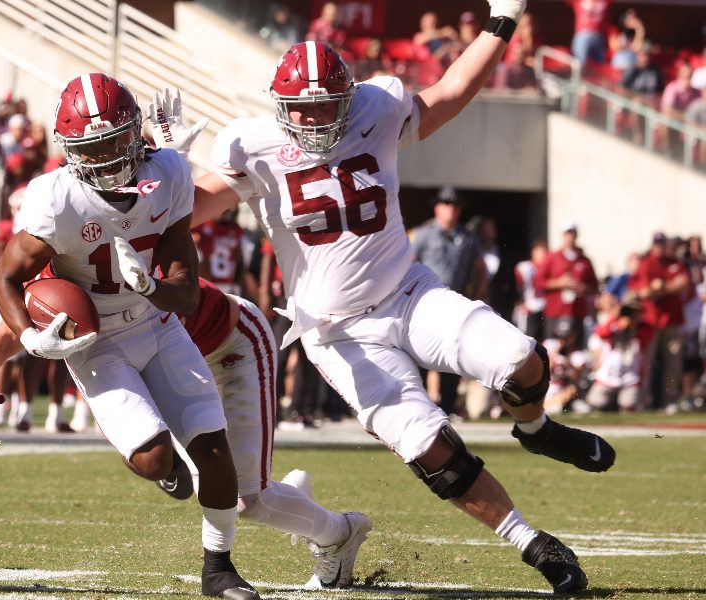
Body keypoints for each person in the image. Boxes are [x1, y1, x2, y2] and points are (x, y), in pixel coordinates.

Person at [160, 1, 614, 590]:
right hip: (337, 332)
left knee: (519, 359)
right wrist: (163, 164)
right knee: (429, 444)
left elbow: (448, 92)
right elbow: (185, 211)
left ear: (348, 96)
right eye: (306, 107)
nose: (319, 117)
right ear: (281, 107)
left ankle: (536, 431)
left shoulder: (376, 107)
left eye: (329, 104)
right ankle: (534, 544)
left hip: (408, 291)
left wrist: (500, 22)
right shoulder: (255, 147)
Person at [0, 73, 259, 600]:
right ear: (69, 149)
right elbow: (4, 275)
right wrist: (30, 339)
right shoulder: (54, 197)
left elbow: (186, 296)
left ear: (134, 132)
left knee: (214, 449)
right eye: (89, 146)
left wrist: (150, 287)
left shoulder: (166, 173)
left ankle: (219, 569)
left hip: (157, 324)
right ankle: (160, 464)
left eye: (113, 141)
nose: (102, 156)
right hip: (94, 340)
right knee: (153, 459)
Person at [0, 277, 373, 589]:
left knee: (246, 497)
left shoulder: (123, 251)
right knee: (185, 468)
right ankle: (277, 498)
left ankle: (338, 532)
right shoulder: (56, 289)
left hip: (232, 346)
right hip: (178, 367)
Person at [412, 187, 488, 417]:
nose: (451, 210)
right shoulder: (423, 234)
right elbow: (409, 263)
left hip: (455, 304)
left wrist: (479, 296)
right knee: (419, 354)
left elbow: (480, 269)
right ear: (437, 207)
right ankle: (421, 405)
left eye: (455, 206)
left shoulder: (467, 237)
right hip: (425, 304)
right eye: (446, 204)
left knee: (452, 354)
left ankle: (447, 405)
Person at [628, 232, 690, 412]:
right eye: (657, 245)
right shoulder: (646, 263)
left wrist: (662, 288)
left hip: (672, 319)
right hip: (650, 320)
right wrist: (665, 288)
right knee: (647, 361)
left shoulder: (673, 263)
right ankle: (644, 399)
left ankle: (669, 399)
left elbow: (683, 282)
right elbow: (641, 291)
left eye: (662, 244)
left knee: (673, 362)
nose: (660, 248)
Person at [534, 222, 597, 342]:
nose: (569, 237)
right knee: (553, 348)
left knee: (575, 352)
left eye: (572, 233)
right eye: (567, 233)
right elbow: (538, 282)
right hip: (555, 312)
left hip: (577, 312)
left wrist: (583, 288)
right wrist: (559, 283)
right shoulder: (551, 257)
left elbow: (594, 286)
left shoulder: (584, 261)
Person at [566, 0, 611, 66]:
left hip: (598, 36)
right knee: (579, 64)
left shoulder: (603, 2)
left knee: (600, 66)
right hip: (582, 34)